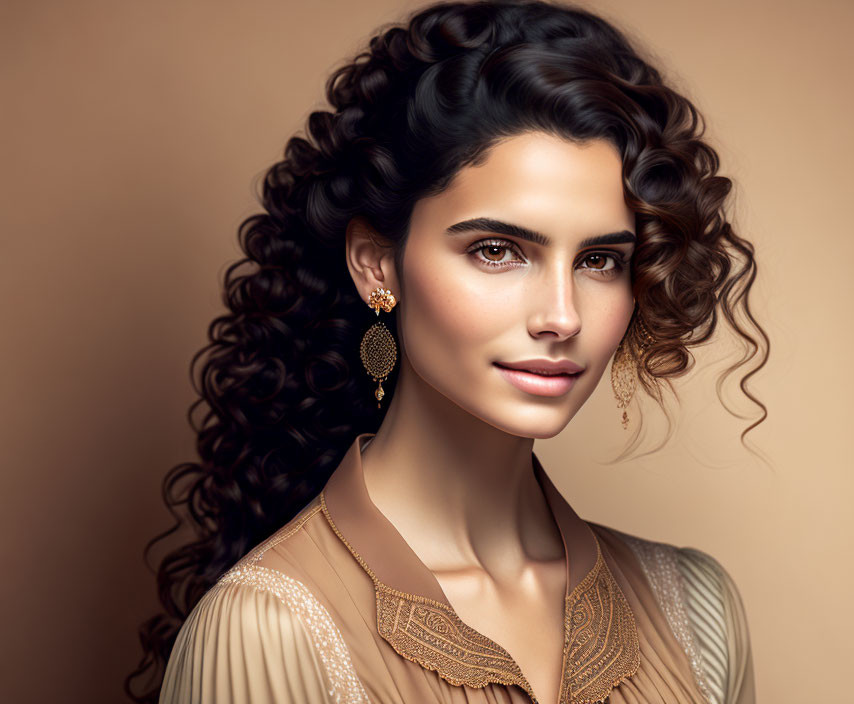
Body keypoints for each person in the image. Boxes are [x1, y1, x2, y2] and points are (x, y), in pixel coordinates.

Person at [127, 1, 768, 702]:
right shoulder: (267, 632)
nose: (561, 316)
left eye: (600, 262)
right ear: (378, 265)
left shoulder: (699, 618)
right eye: (497, 251)